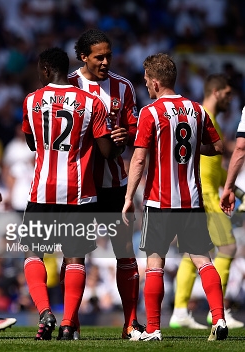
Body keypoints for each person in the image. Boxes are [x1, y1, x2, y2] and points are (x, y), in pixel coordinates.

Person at [122, 53, 227, 341]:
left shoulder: (150, 112)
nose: (144, 85)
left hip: (159, 202)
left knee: (155, 263)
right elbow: (217, 147)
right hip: (191, 202)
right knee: (203, 260)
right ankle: (218, 318)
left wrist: (129, 197)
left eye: (145, 80)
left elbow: (139, 160)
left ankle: (154, 329)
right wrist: (193, 152)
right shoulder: (196, 110)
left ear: (155, 82)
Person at [19, 47, 118, 341]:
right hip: (79, 193)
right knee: (74, 259)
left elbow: (31, 144)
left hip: (42, 192)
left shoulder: (32, 101)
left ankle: (45, 311)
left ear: (47, 70)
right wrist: (118, 139)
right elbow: (106, 152)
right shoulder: (91, 103)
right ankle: (66, 325)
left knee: (33, 253)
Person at [68, 29, 143, 339]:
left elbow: (136, 130)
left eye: (109, 55)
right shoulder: (68, 85)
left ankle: (130, 323)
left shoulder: (123, 87)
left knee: (124, 251)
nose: (106, 61)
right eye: (99, 56)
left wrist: (127, 135)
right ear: (83, 56)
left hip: (114, 184)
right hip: (79, 184)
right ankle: (70, 322)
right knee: (75, 254)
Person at [170, 74, 244, 330]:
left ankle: (180, 311)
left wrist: (238, 190)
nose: (230, 99)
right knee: (228, 249)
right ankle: (217, 311)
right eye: (227, 94)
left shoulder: (207, 119)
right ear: (216, 92)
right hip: (205, 195)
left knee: (194, 255)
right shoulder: (202, 118)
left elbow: (214, 168)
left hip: (203, 193)